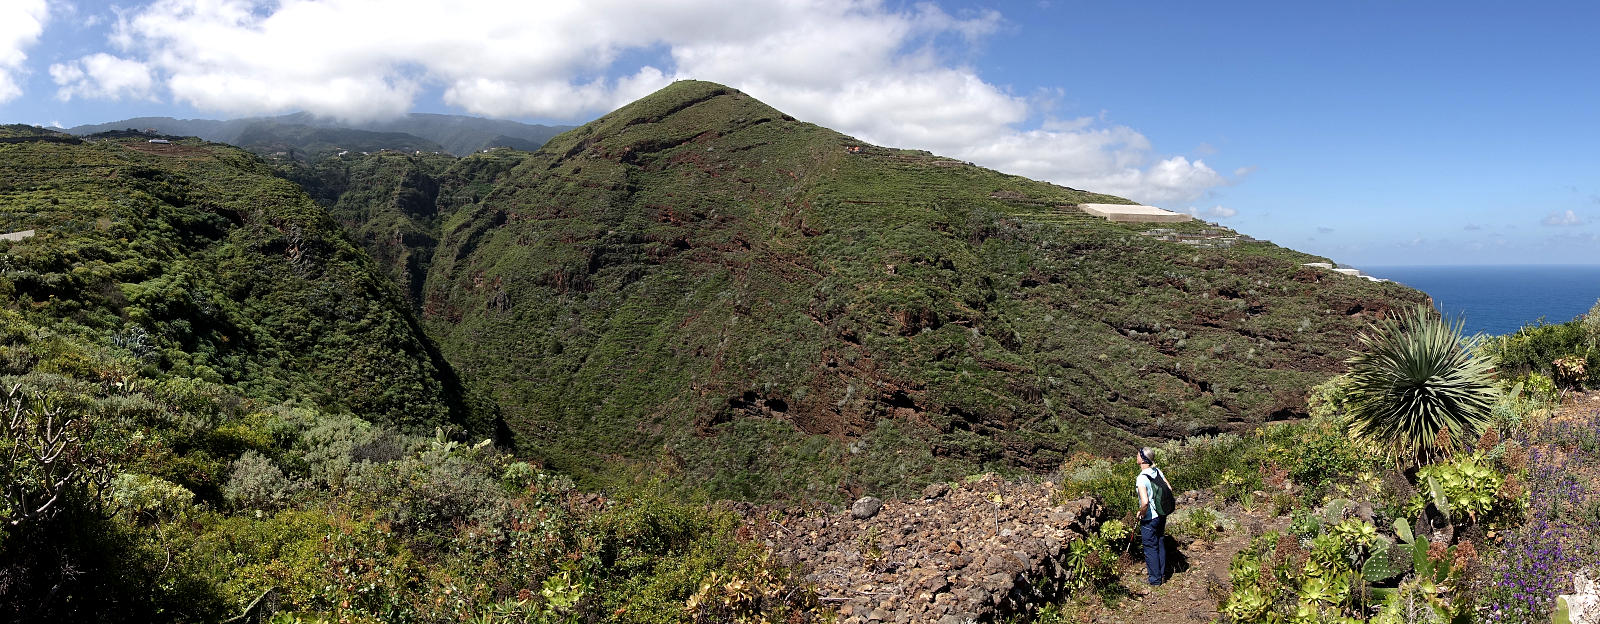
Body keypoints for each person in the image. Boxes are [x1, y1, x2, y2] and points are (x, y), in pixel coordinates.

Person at [1135, 447, 1172, 586]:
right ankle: (1161, 575)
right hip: (1161, 514)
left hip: (1150, 518)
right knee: (1160, 542)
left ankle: (1155, 580)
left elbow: (1144, 502)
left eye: (1138, 454)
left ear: (1143, 459)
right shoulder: (1157, 471)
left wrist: (1141, 513)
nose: (1136, 456)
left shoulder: (1141, 478)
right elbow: (1169, 488)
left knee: (1150, 547)